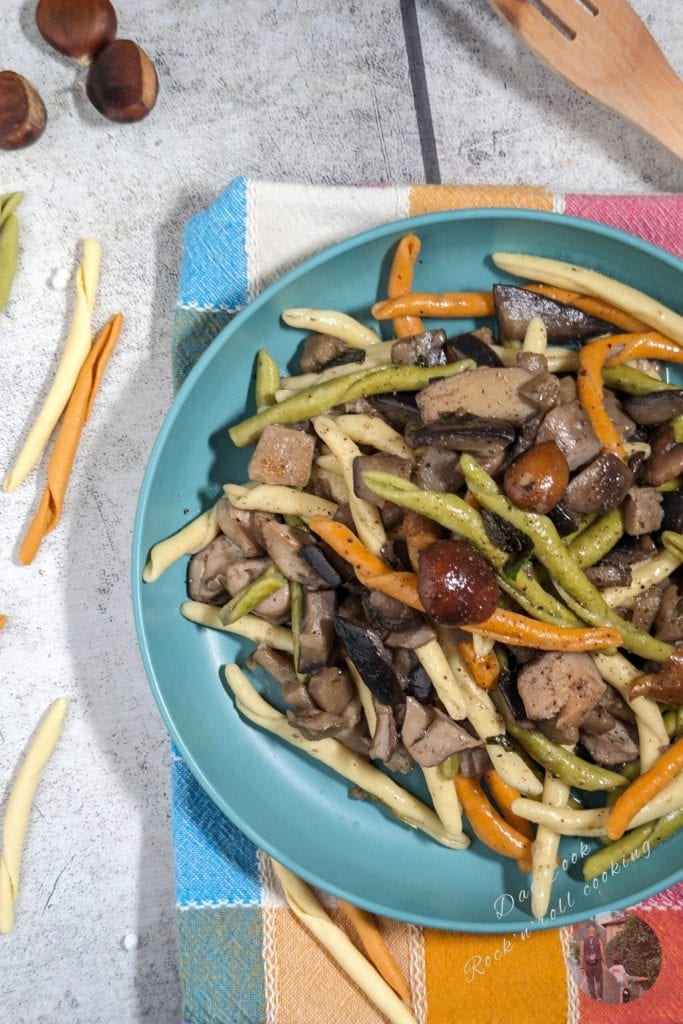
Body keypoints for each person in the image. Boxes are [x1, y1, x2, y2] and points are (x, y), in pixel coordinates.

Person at [580, 924, 605, 999]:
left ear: (588, 932)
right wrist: (604, 964)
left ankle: (593, 998)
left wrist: (582, 967)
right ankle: (600, 998)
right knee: (599, 982)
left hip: (588, 966)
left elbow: (581, 955)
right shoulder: (599, 940)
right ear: (594, 932)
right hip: (598, 965)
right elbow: (602, 953)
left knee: (590, 983)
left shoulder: (583, 941)